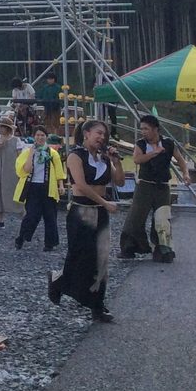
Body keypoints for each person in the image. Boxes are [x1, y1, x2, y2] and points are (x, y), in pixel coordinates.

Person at [49, 120, 125, 322]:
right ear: (86, 133)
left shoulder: (104, 158)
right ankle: (59, 281)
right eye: (98, 133)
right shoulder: (76, 156)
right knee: (81, 255)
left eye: (104, 134)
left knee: (101, 258)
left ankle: (97, 305)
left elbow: (119, 181)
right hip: (82, 211)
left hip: (100, 212)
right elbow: (81, 185)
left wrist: (116, 162)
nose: (101, 137)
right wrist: (105, 202)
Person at [120, 114, 193, 262]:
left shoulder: (168, 143)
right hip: (144, 185)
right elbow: (137, 159)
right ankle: (130, 247)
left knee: (162, 219)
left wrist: (185, 174)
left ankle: (163, 250)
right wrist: (154, 152)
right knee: (136, 217)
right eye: (142, 129)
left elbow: (180, 160)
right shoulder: (140, 144)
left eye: (146, 129)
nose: (143, 132)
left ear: (155, 129)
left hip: (162, 186)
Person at [14, 126, 64, 251]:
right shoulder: (27, 152)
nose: (40, 137)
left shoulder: (53, 153)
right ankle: (21, 237)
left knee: (50, 216)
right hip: (32, 187)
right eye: (37, 135)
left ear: (46, 137)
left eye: (42, 135)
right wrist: (31, 154)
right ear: (34, 136)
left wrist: (61, 185)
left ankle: (50, 243)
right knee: (31, 215)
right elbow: (25, 170)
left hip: (48, 187)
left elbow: (59, 171)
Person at [0, 114, 23, 229]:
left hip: (12, 170)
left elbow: (20, 156)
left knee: (15, 193)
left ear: (7, 128)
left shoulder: (16, 140)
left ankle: (24, 217)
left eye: (2, 126)